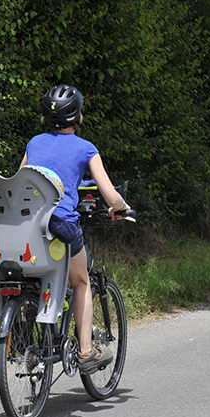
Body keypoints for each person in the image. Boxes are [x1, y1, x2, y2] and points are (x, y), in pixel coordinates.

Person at [20, 84, 130, 374]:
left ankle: (28, 332)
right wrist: (121, 206)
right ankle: (85, 352)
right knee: (81, 282)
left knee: (36, 277)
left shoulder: (34, 143)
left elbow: (19, 183)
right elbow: (110, 196)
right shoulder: (86, 149)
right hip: (61, 227)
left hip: (27, 227)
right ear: (77, 116)